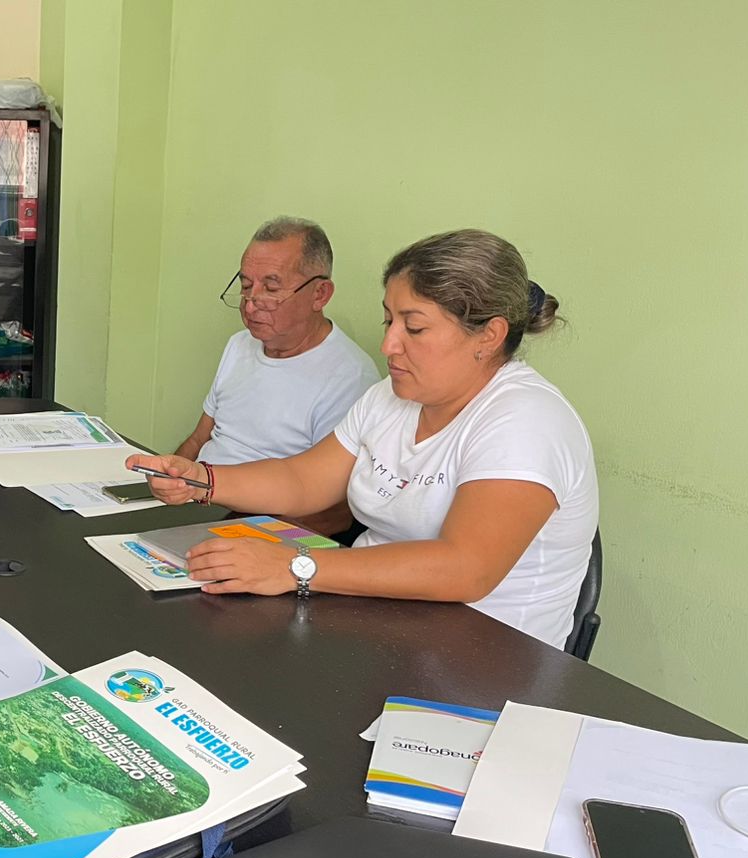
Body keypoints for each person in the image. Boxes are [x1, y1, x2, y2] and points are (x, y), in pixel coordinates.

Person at [131, 229, 598, 648]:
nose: (389, 345)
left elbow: (464, 569)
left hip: (482, 659)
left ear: (489, 335)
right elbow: (303, 480)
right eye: (388, 322)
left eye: (414, 327)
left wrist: (293, 566)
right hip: (372, 622)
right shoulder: (389, 397)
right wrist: (203, 479)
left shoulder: (527, 421)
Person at [175, 217, 377, 536]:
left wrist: (243, 538)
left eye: (270, 289)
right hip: (198, 503)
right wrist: (165, 488)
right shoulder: (239, 345)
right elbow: (198, 440)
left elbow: (335, 513)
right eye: (245, 286)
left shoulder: (350, 376)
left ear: (320, 294)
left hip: (257, 526)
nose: (250, 306)